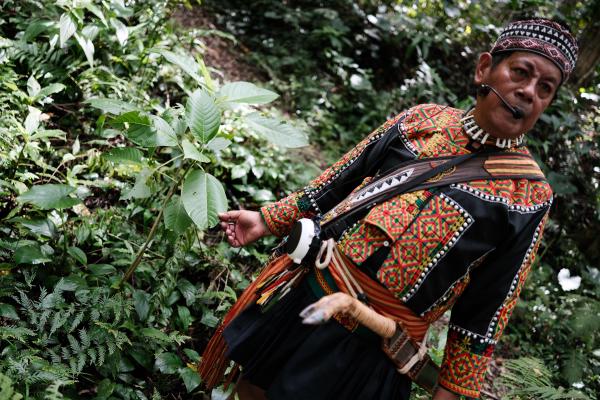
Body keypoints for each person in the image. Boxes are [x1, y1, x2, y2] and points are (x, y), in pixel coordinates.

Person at [200, 17, 578, 400]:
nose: (528, 92)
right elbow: (336, 181)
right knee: (252, 391)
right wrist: (266, 220)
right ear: (485, 69)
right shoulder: (419, 121)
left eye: (545, 89)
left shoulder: (527, 196)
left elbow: (488, 308)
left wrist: (451, 389)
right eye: (520, 72)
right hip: (310, 295)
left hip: (372, 347)